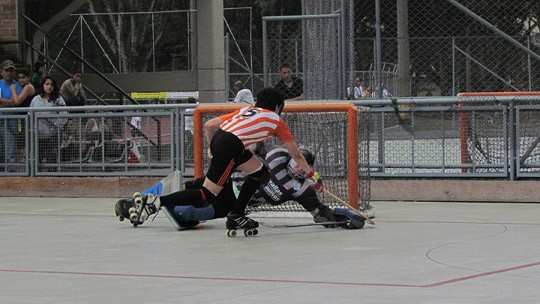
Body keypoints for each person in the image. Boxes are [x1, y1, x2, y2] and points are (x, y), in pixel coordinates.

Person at [146, 87, 312, 234]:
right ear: (277, 107)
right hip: (232, 146)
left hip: (224, 140)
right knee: (208, 194)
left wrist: (213, 149)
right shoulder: (276, 121)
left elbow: (210, 125)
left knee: (260, 172)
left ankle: (236, 214)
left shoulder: (247, 110)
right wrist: (310, 172)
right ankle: (158, 201)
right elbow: (296, 156)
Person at [115, 147, 365, 230]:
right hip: (225, 182)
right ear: (291, 157)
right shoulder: (277, 156)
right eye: (297, 162)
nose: (299, 169)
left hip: (233, 206)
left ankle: (150, 205)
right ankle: (144, 201)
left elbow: (319, 213)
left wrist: (342, 218)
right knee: (192, 189)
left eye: (305, 167)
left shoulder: (302, 189)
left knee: (187, 216)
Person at [30, 77, 67, 167]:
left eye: (52, 84)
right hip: (38, 135)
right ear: (42, 85)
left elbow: (64, 115)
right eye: (47, 84)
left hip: (53, 135)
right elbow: (30, 114)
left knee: (52, 159)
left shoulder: (59, 99)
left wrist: (56, 125)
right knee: (37, 159)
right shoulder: (35, 99)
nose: (49, 87)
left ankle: (51, 178)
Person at [0, 60, 22, 170]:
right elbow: (13, 100)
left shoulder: (17, 85)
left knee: (11, 141)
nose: (9, 72)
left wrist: (4, 101)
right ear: (1, 72)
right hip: (1, 117)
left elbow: (17, 101)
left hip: (12, 118)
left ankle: (11, 167)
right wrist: (11, 101)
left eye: (11, 70)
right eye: (6, 70)